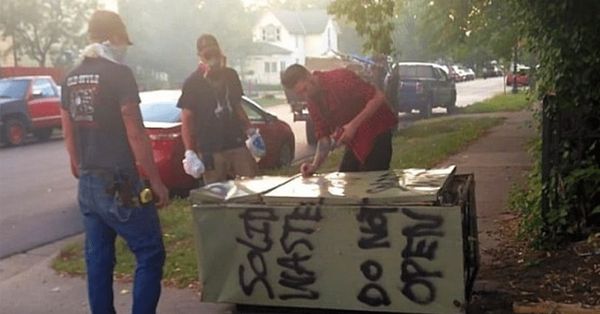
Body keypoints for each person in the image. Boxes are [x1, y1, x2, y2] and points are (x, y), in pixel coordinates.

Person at [60, 10, 169, 314]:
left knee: (98, 259)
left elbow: (68, 131)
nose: (124, 46)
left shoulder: (70, 77)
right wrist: (155, 180)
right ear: (116, 36)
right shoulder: (119, 74)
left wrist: (79, 164)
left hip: (89, 182)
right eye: (124, 40)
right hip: (119, 182)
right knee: (149, 252)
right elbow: (134, 129)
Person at [281, 64, 398, 177]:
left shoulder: (340, 78)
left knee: (372, 182)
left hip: (377, 130)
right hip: (355, 140)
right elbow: (323, 138)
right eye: (300, 94)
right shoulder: (312, 103)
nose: (305, 96)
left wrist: (353, 126)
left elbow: (378, 97)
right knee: (346, 179)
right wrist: (314, 166)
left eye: (305, 89)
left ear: (308, 76)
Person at [178, 34, 262, 184]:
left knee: (251, 182)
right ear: (200, 56)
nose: (213, 58)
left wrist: (251, 132)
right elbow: (186, 118)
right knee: (216, 192)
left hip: (235, 142)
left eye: (215, 53)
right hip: (210, 147)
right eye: (207, 54)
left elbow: (237, 105)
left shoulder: (230, 75)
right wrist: (189, 151)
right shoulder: (193, 82)